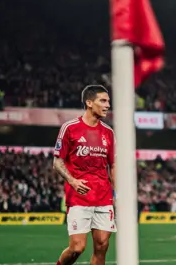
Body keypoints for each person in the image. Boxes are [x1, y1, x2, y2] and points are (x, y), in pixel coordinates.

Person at [53, 85, 116, 265]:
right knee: (77, 248)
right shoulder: (70, 128)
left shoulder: (109, 133)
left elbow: (113, 165)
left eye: (108, 101)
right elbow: (57, 161)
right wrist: (72, 181)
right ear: (89, 103)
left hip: (104, 196)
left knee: (102, 245)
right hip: (79, 196)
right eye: (103, 101)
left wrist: (117, 194)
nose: (107, 105)